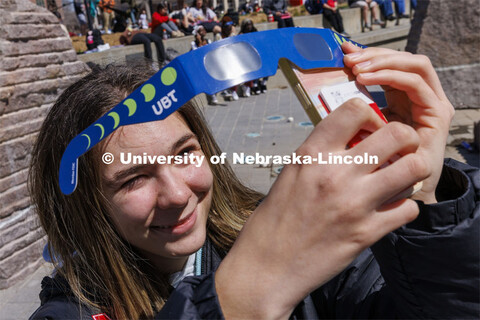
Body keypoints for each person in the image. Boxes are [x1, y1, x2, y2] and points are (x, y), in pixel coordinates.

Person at [29, 40, 479, 319]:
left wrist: (423, 200)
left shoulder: (297, 245)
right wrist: (247, 293)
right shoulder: (70, 312)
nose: (178, 194)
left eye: (184, 153)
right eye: (132, 179)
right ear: (86, 203)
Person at [239, 19, 268, 95]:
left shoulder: (255, 32)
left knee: (268, 63)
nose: (249, 27)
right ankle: (255, 84)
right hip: (246, 55)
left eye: (250, 25)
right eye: (247, 25)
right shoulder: (241, 34)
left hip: (256, 53)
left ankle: (263, 82)